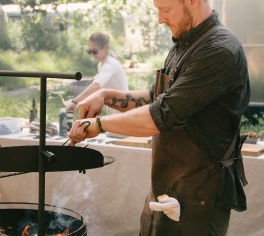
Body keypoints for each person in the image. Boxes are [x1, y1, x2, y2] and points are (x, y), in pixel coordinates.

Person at [68, 0, 250, 235]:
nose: (160, 19)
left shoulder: (219, 50)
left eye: (165, 9)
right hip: (164, 192)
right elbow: (158, 98)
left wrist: (99, 124)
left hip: (198, 202)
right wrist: (106, 96)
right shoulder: (184, 43)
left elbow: (162, 114)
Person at [65, 32, 128, 113]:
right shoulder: (101, 64)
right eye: (89, 51)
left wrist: (75, 101)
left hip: (122, 107)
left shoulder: (110, 65)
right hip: (114, 106)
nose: (92, 54)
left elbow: (96, 86)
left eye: (94, 51)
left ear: (106, 48)